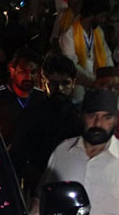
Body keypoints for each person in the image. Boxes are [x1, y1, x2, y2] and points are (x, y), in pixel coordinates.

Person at [10, 55, 81, 196]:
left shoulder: (81, 116)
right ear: (44, 83)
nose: (60, 89)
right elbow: (17, 157)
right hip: (39, 188)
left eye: (65, 83)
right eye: (53, 83)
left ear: (73, 83)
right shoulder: (31, 115)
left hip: (75, 184)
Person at [0, 48, 44, 147]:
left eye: (33, 72)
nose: (28, 77)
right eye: (23, 71)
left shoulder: (42, 97)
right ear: (12, 71)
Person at [58, 0, 113, 101]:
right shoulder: (69, 35)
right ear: (92, 15)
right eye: (102, 16)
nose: (103, 20)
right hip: (80, 85)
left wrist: (109, 76)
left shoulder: (98, 32)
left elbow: (107, 56)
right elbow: (72, 66)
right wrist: (95, 80)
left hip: (100, 84)